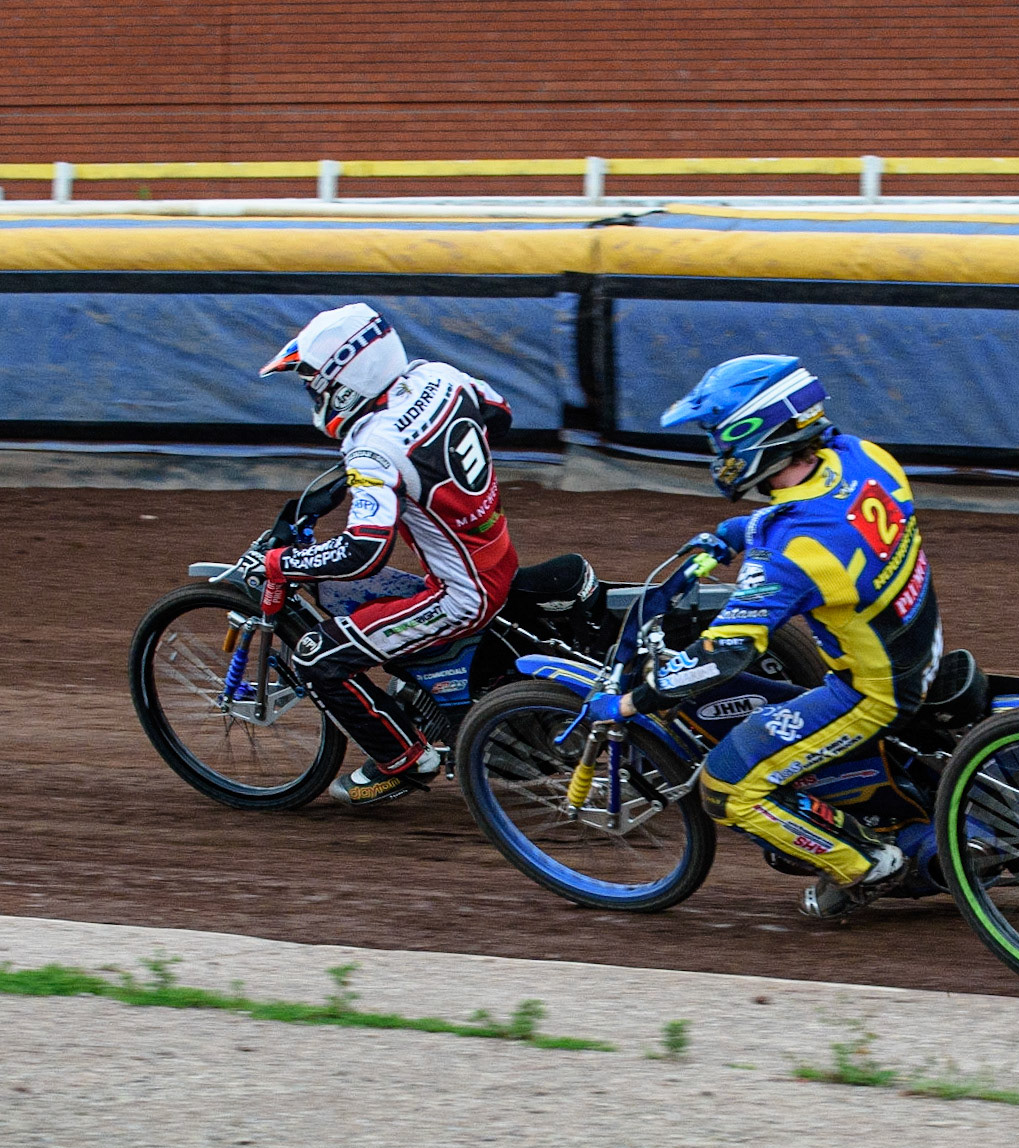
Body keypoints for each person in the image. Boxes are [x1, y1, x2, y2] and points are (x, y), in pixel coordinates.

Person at [583, 355, 942, 918]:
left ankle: (865, 865)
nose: (718, 455)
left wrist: (634, 700)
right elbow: (823, 511)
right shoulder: (864, 457)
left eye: (720, 439)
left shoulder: (791, 551)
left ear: (756, 433)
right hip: (917, 642)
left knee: (727, 787)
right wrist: (733, 534)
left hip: (873, 691)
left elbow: (725, 652)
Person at [255, 303, 518, 806]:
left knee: (317, 656)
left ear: (347, 377)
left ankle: (405, 761)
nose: (314, 393)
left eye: (316, 382)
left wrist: (282, 563)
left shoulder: (373, 445)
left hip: (462, 595)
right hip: (496, 549)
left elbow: (363, 552)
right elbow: (498, 414)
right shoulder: (439, 376)